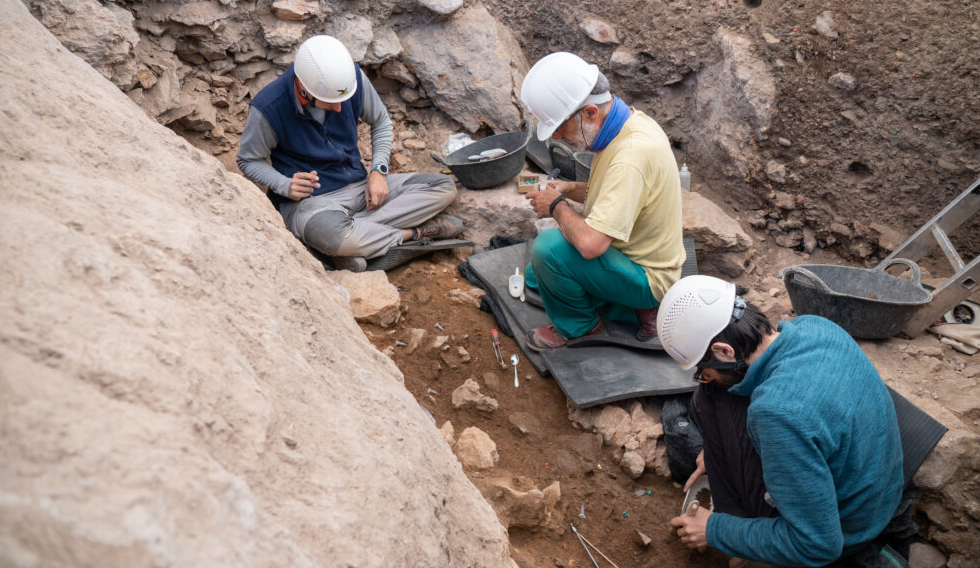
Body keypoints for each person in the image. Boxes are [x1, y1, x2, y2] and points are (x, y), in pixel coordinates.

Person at [659, 275, 906, 568]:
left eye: (703, 369)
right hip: (876, 492)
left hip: (847, 529)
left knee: (710, 395)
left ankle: (754, 557)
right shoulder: (816, 326)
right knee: (714, 393)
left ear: (724, 351)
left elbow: (818, 544)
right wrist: (714, 455)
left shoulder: (777, 413)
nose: (703, 376)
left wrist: (715, 529)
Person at [236, 35, 462, 272]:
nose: (339, 108)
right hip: (312, 204)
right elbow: (249, 160)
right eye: (330, 101)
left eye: (343, 99)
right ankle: (412, 235)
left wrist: (378, 171)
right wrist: (284, 185)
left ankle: (353, 245)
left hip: (360, 187)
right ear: (304, 89)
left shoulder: (350, 79)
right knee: (332, 235)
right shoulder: (269, 107)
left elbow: (381, 121)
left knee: (443, 187)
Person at [518, 51, 685, 350]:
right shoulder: (628, 125)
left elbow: (591, 245)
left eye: (560, 127)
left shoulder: (630, 157)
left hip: (647, 277)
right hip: (628, 257)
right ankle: (626, 307)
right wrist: (568, 188)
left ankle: (584, 327)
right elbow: (616, 195)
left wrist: (556, 206)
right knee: (535, 276)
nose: (556, 137)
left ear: (590, 112)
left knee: (548, 251)